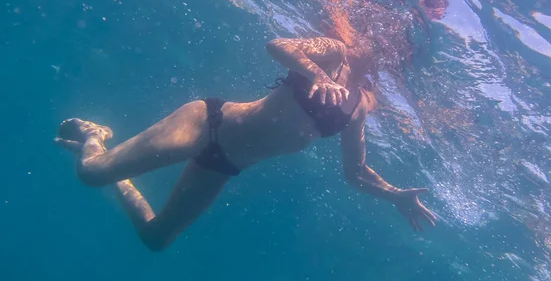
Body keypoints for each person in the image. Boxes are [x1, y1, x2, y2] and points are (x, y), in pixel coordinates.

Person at [55, 37, 436, 251]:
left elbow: (355, 172)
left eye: (393, 55)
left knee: (157, 238)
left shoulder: (360, 107)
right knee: (90, 173)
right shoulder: (335, 52)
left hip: (224, 164)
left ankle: (118, 171)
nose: (382, 55)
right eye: (383, 46)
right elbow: (278, 45)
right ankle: (95, 135)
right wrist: (316, 73)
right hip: (207, 123)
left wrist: (395, 195)